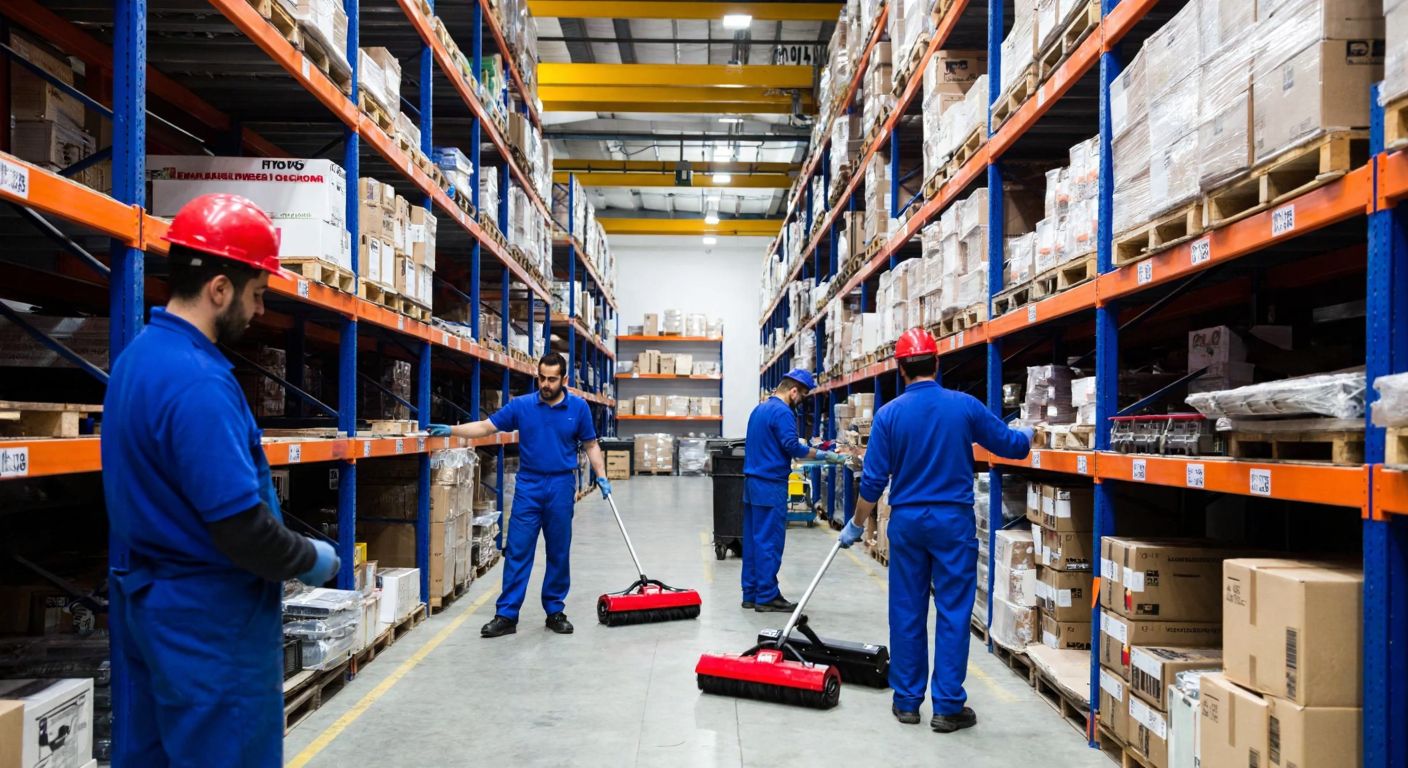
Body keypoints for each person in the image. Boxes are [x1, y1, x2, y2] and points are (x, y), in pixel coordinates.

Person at [102, 194, 341, 767]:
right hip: (210, 625)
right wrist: (315, 559)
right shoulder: (199, 384)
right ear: (219, 289)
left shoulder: (139, 357)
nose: (259, 310)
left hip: (149, 606)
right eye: (257, 294)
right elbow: (242, 531)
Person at [838, 328, 1032, 733]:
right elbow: (1012, 447)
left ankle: (907, 701)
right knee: (954, 612)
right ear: (937, 363)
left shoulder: (889, 415)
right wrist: (1027, 434)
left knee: (906, 609)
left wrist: (857, 524)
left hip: (907, 523)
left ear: (900, 368)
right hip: (952, 523)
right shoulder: (964, 407)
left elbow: (872, 482)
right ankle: (947, 707)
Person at [428, 352, 608, 637]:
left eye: (552, 379)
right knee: (518, 551)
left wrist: (602, 475)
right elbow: (486, 427)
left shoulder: (579, 408)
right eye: (542, 378)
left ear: (564, 380)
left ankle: (555, 611)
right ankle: (507, 615)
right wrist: (451, 430)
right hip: (529, 486)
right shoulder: (523, 406)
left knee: (558, 552)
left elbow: (591, 444)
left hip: (561, 486)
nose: (545, 384)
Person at [741, 368, 846, 612]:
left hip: (751, 484)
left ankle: (751, 592)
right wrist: (825, 455)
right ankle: (767, 596)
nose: (802, 401)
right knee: (769, 542)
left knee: (754, 541)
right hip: (770, 485)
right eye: (803, 396)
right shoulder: (782, 412)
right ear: (793, 391)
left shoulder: (759, 410)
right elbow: (792, 447)